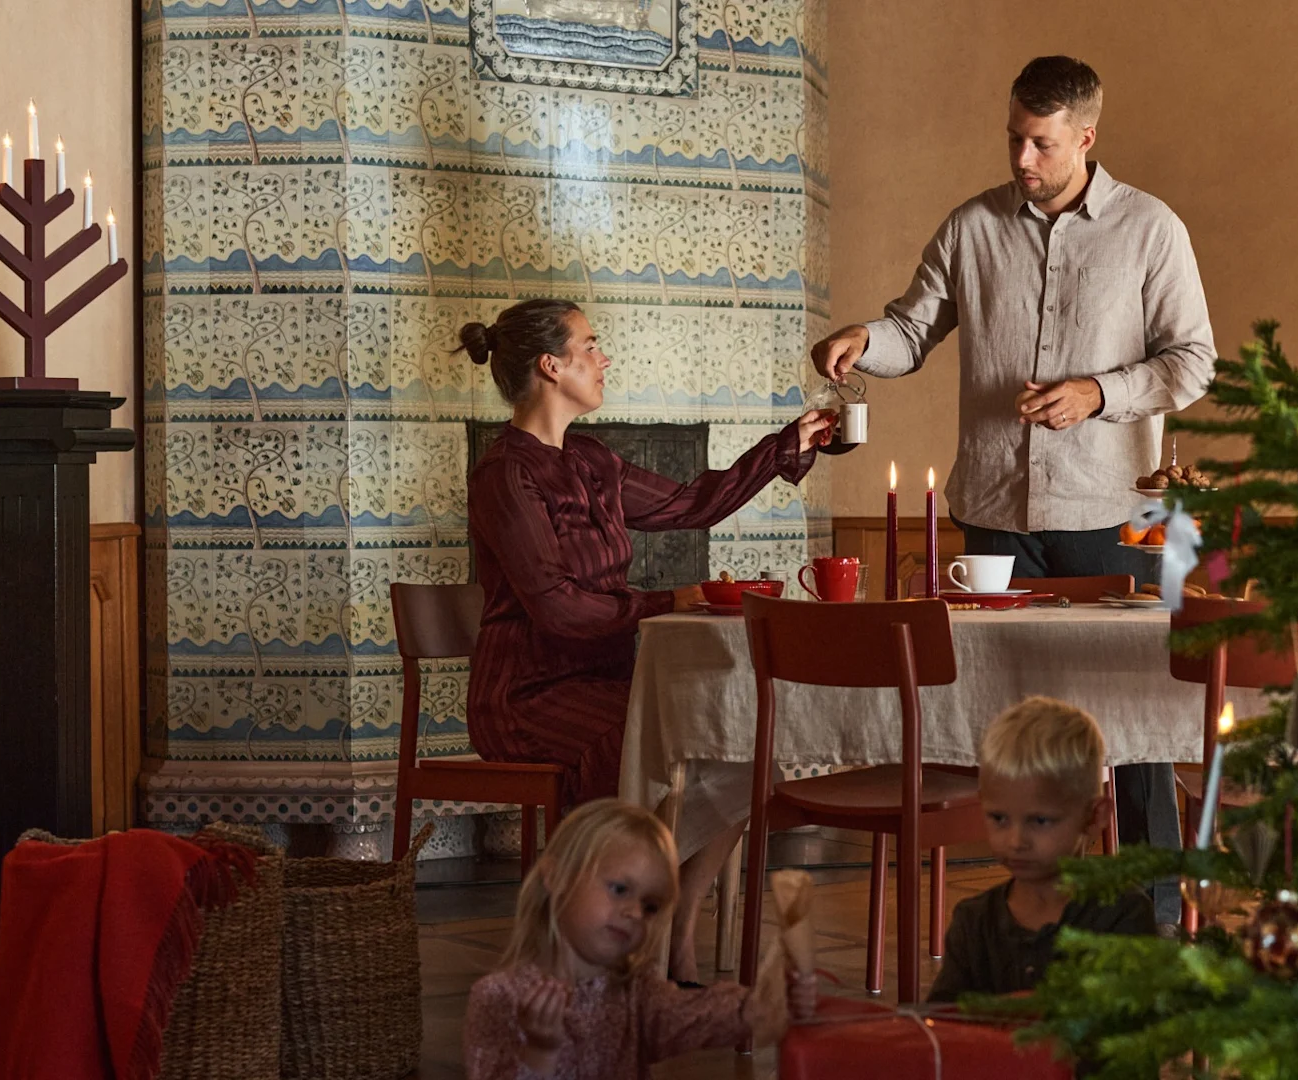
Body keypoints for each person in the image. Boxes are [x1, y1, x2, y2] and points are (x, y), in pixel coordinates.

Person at [811, 56, 1216, 924]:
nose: (1023, 158)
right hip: (994, 514)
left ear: (1086, 137)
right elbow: (912, 328)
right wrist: (862, 341)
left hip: (1111, 515)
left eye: (1040, 142)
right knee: (1011, 723)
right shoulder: (970, 228)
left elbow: (1193, 362)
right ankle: (1030, 914)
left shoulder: (1152, 230)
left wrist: (1098, 393)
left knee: (1136, 728)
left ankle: (1151, 910)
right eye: (1014, 138)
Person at [460, 298, 835, 981]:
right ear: (552, 365)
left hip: (604, 684)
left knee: (735, 739)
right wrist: (672, 598)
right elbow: (558, 610)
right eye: (591, 345)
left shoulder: (593, 460)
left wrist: (789, 444)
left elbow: (693, 504)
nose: (605, 358)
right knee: (642, 737)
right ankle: (598, 936)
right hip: (524, 696)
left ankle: (673, 926)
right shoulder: (504, 474)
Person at [463, 799, 816, 1079]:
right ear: (556, 876)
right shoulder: (497, 997)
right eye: (619, 889)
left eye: (649, 906)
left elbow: (695, 1014)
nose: (634, 912)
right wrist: (539, 1053)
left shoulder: (634, 993)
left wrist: (761, 1004)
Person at [928, 698, 1150, 1002]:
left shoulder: (1123, 915)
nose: (1016, 840)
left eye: (1040, 820)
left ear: (1095, 816)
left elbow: (1133, 1033)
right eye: (999, 818)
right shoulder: (974, 922)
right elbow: (943, 1028)